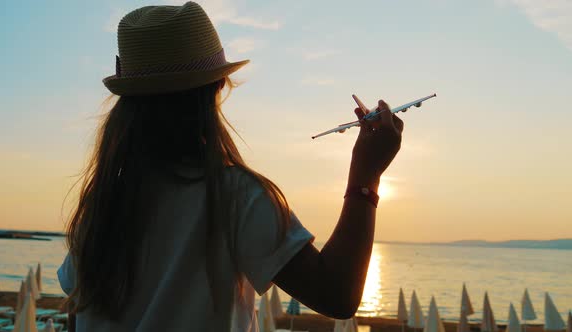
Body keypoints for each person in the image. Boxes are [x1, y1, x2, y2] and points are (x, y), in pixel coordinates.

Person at [57, 2, 403, 331]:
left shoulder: (103, 206)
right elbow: (336, 296)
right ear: (217, 87)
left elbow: (78, 317)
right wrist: (366, 174)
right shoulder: (235, 196)